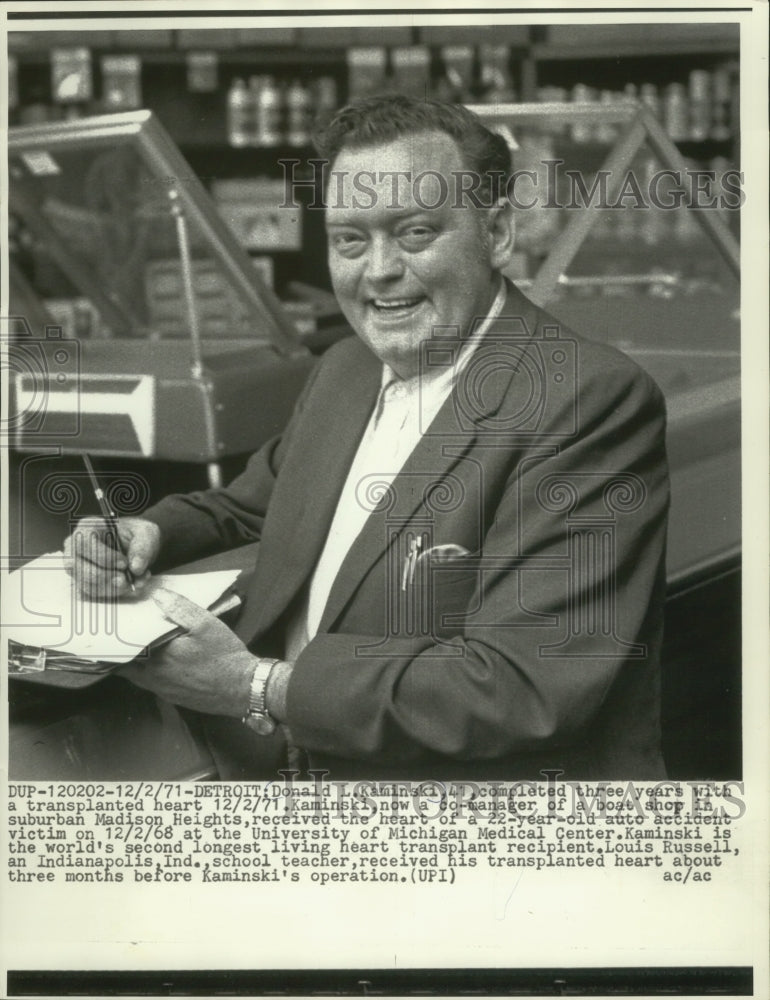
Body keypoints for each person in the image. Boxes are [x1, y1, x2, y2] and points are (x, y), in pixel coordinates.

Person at [65, 95, 670, 782]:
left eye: (413, 232)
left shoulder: (587, 400)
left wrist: (254, 685)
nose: (377, 269)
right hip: (298, 780)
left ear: (497, 233)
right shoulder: (347, 368)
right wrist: (146, 533)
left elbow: (521, 687)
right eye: (350, 239)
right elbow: (254, 505)